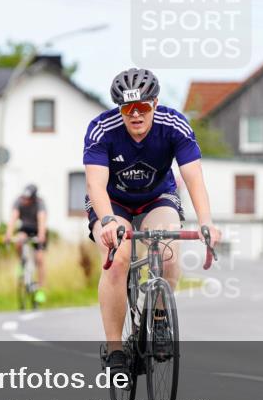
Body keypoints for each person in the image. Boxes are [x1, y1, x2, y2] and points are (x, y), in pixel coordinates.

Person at [83, 68, 221, 376]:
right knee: (117, 260)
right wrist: (107, 221)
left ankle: (158, 320)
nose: (135, 115)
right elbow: (95, 183)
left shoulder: (174, 125)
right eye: (127, 109)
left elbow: (194, 177)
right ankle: (115, 349)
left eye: (142, 107)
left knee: (169, 252)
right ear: (119, 109)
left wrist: (206, 222)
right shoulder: (101, 129)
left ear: (155, 104)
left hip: (157, 197)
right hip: (112, 201)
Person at [5, 184, 47, 304]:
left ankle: (40, 290)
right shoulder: (18, 201)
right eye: (24, 198)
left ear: (33, 198)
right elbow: (13, 218)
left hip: (38, 230)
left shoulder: (40, 203)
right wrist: (8, 233)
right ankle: (21, 263)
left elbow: (42, 219)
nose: (25, 201)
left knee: (40, 259)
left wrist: (42, 235)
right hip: (25, 229)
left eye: (27, 199)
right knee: (19, 240)